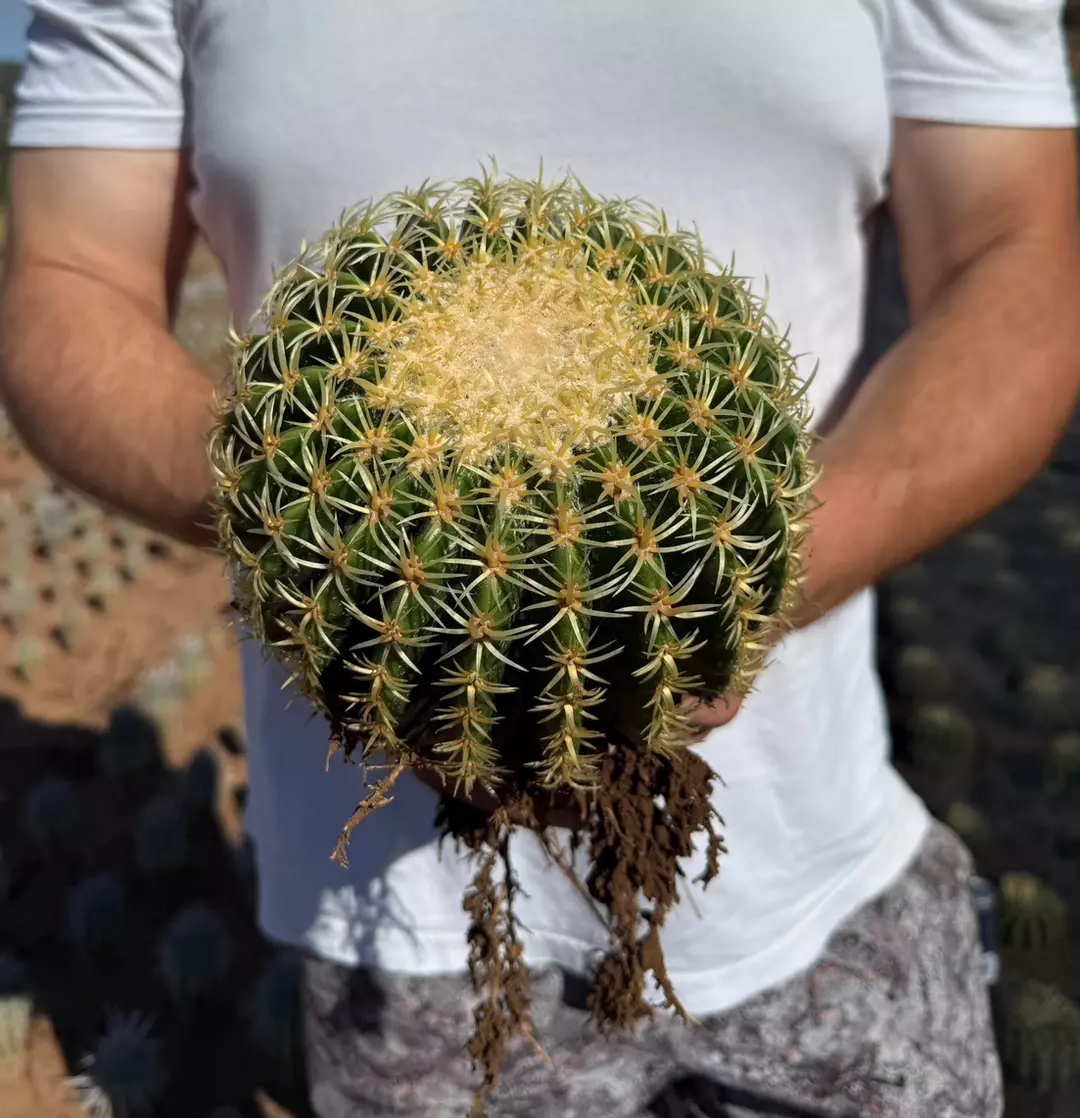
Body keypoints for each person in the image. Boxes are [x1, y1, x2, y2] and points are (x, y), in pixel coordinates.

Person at [2, 2, 1079, 1115]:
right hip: (408, 945)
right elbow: (70, 272)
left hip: (824, 872)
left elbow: (1017, 245)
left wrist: (737, 577)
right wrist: (331, 539)